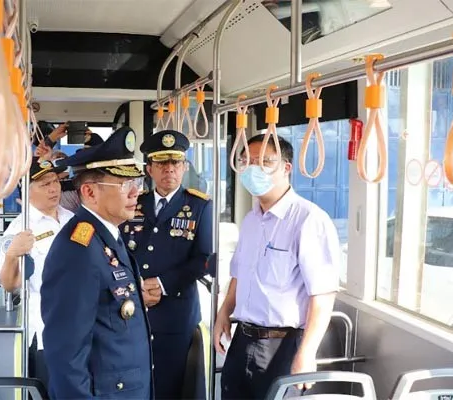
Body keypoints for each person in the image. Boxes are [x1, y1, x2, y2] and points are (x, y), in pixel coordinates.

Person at [214, 134, 340, 399]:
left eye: (264, 162)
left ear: (286, 167)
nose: (252, 169)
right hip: (243, 338)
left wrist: (307, 353)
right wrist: (224, 312)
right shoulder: (250, 220)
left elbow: (323, 294)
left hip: (283, 345)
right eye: (246, 162)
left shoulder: (308, 220)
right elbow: (239, 273)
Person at [41, 126, 154, 399]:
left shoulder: (108, 236)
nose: (135, 193)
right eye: (125, 185)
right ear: (90, 192)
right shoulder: (78, 249)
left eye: (137, 184)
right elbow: (66, 353)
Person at [119, 129, 214, 399]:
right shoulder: (135, 203)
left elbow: (203, 259)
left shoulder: (199, 206)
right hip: (132, 308)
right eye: (161, 163)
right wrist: (136, 285)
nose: (168, 169)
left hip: (176, 313)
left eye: (175, 163)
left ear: (184, 167)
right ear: (149, 169)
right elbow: (119, 251)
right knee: (134, 381)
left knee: (172, 385)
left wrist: (162, 284)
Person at [0, 157, 74, 390]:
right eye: (45, 184)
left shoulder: (71, 218)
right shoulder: (20, 229)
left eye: (55, 181)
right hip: (47, 328)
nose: (54, 189)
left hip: (81, 322)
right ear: (27, 190)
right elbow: (9, 284)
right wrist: (12, 256)